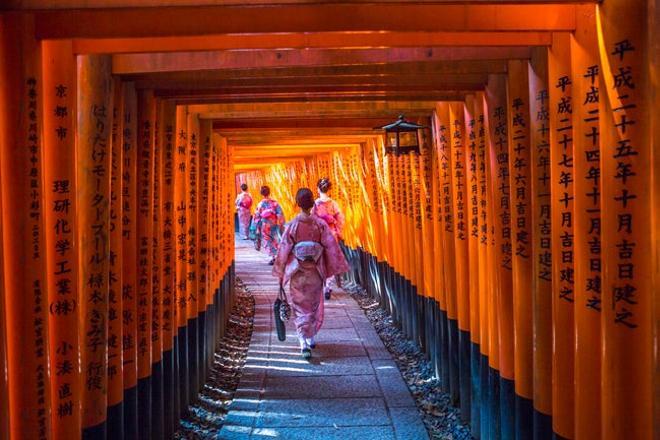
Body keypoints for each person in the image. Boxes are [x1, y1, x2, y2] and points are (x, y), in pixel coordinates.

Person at [273, 188, 349, 359]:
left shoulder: (292, 225)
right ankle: (311, 337)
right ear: (312, 203)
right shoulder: (320, 224)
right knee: (313, 304)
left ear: (297, 204)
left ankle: (303, 341)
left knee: (300, 305)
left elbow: (283, 250)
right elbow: (330, 247)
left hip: (297, 271)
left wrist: (281, 273)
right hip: (315, 270)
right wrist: (333, 269)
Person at [312, 177, 345, 299]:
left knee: (320, 259)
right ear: (329, 189)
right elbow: (340, 218)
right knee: (331, 260)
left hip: (320, 235)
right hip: (331, 234)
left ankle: (323, 283)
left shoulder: (315, 204)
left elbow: (312, 220)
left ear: (317, 189)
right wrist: (339, 231)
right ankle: (328, 286)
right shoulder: (333, 203)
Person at [253, 185, 285, 265]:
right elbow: (280, 214)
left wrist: (257, 227)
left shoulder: (260, 204)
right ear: (269, 192)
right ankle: (277, 256)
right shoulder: (274, 203)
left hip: (265, 225)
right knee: (275, 239)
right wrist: (281, 224)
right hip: (273, 224)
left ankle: (273, 257)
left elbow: (257, 216)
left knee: (268, 241)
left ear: (261, 194)